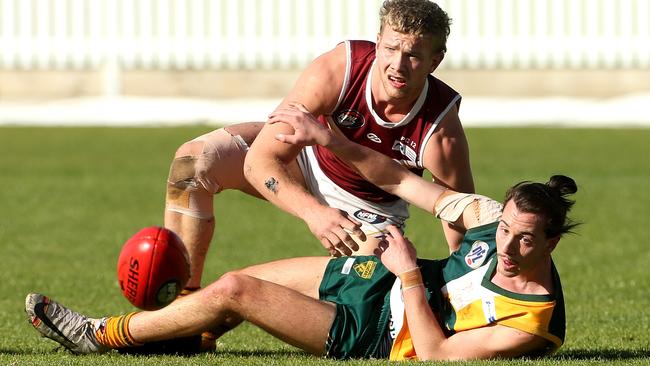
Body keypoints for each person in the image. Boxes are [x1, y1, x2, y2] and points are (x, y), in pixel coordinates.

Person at [25, 160, 578, 360]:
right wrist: (326, 136)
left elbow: (433, 355)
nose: (507, 247)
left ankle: (101, 334)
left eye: (525, 240)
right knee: (223, 293)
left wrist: (409, 272)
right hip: (379, 277)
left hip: (378, 335)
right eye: (504, 229)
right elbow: (413, 185)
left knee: (236, 291)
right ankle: (176, 339)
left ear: (552, 243)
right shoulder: (491, 224)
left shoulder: (531, 323)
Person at [165, 0, 474, 300]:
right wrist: (314, 213)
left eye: (413, 55)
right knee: (193, 164)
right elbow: (258, 162)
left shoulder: (440, 128)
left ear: (435, 61)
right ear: (378, 42)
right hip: (305, 157)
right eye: (391, 49)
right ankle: (182, 300)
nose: (398, 64)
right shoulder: (340, 67)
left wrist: (460, 296)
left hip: (371, 212)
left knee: (364, 287)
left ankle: (233, 298)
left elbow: (458, 220)